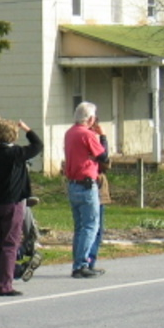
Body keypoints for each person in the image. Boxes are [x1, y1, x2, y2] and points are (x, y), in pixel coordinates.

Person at [0, 119, 42, 296]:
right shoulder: (15, 153)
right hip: (11, 202)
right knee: (9, 244)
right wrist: (26, 128)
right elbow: (37, 145)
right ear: (13, 136)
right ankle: (4, 285)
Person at [65, 102, 108, 279]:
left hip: (73, 182)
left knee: (80, 226)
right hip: (86, 183)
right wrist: (102, 136)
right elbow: (103, 156)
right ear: (90, 119)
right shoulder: (87, 134)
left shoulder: (70, 133)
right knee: (91, 225)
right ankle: (82, 263)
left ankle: (78, 261)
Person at [87, 120, 110, 272]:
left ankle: (87, 260)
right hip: (95, 189)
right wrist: (103, 138)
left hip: (95, 188)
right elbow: (105, 161)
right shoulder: (89, 143)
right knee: (94, 228)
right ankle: (89, 261)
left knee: (90, 227)